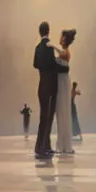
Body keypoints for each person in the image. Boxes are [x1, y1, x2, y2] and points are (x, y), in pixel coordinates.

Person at [32, 22, 67, 159]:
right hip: (51, 87)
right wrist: (65, 69)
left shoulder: (37, 47)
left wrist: (43, 67)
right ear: (48, 31)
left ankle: (42, 146)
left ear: (40, 32)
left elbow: (35, 64)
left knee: (43, 117)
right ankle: (43, 147)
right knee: (48, 117)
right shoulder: (48, 47)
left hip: (42, 86)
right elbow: (53, 65)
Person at [54, 30, 77, 157]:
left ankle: (65, 145)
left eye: (63, 38)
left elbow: (60, 54)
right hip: (61, 82)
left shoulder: (65, 52)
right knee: (61, 113)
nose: (61, 39)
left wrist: (52, 47)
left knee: (63, 112)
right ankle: (62, 144)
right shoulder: (63, 52)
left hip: (63, 83)